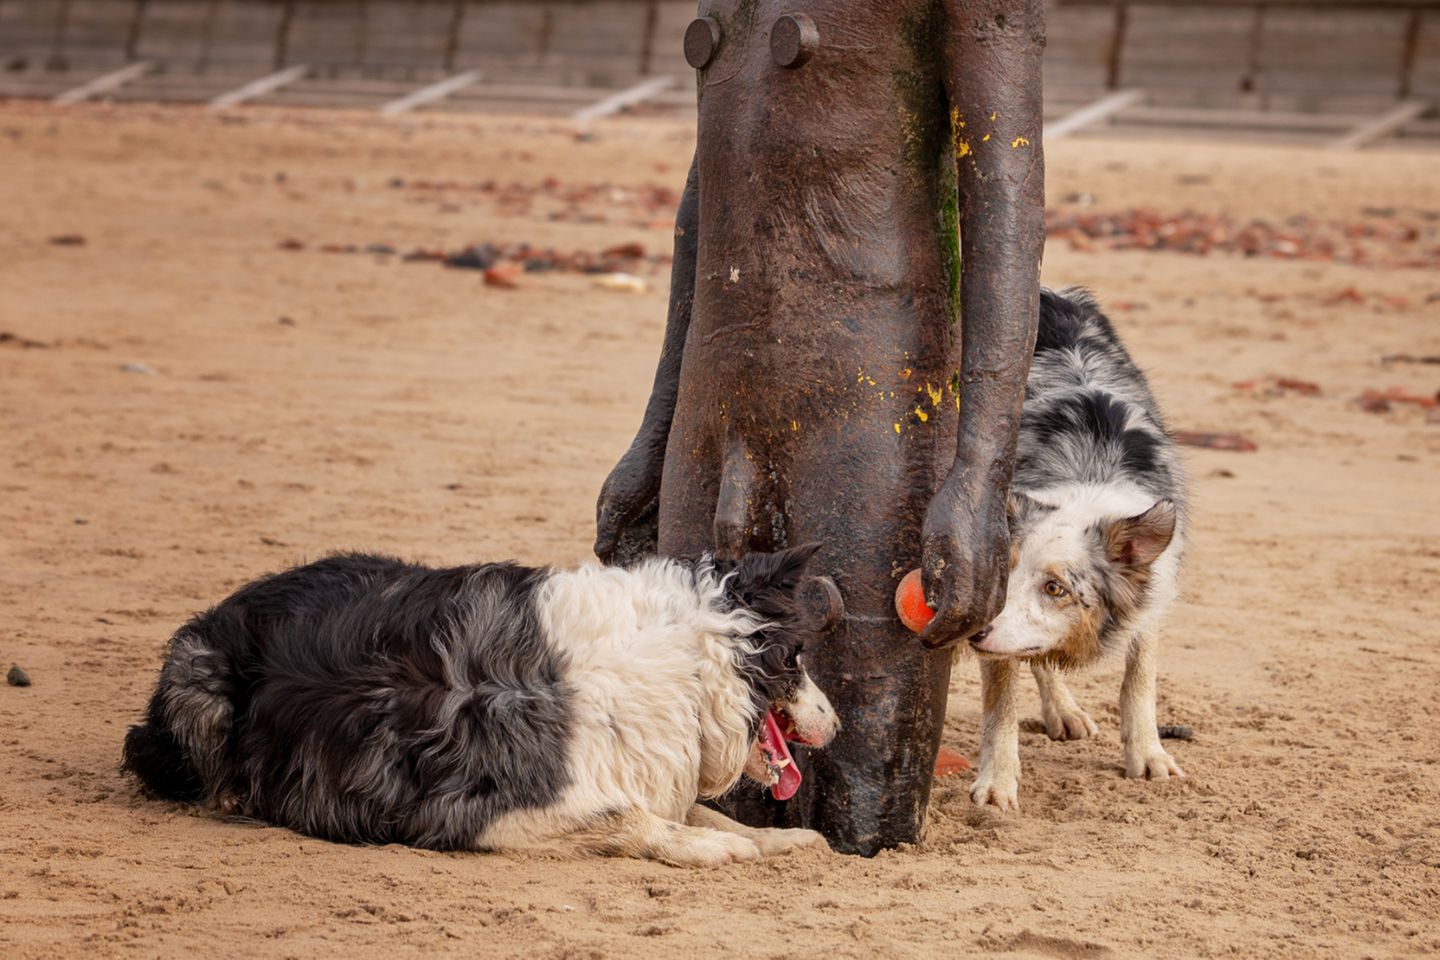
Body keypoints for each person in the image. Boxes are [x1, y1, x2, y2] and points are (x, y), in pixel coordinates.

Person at [594, 0, 1046, 856]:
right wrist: (658, 432)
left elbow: (1007, 206)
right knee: (705, 780)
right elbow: (714, 183)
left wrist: (980, 474)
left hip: (873, 408)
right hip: (713, 402)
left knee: (856, 811)